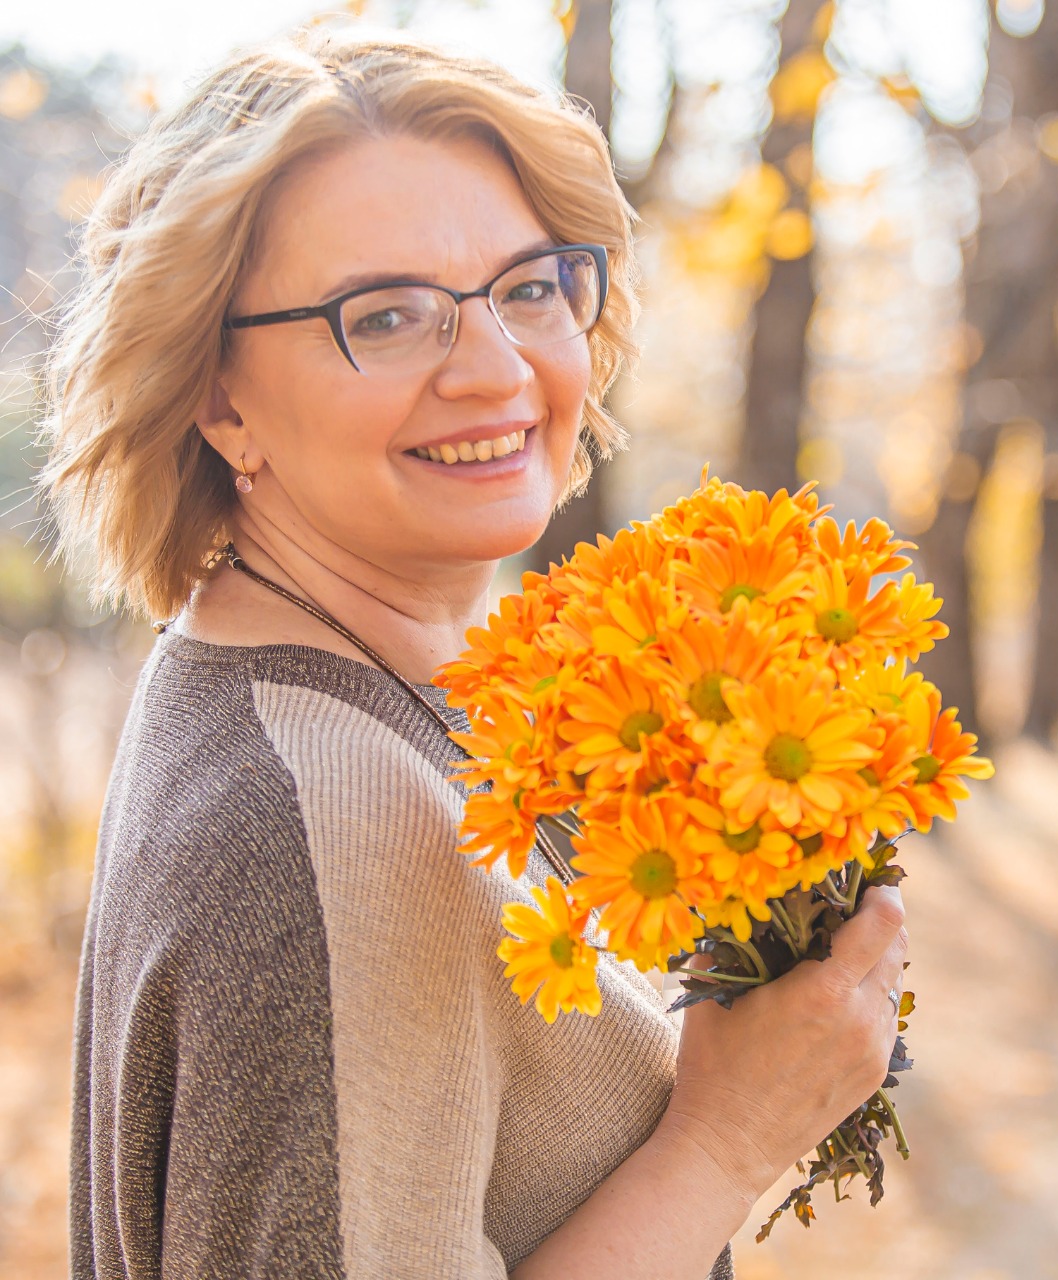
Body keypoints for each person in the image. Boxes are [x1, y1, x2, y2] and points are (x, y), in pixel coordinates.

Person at [41, 27, 908, 1280]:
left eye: (529, 286)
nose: (497, 368)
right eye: (384, 316)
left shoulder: (294, 680)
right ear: (220, 400)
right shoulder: (332, 816)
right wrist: (723, 1140)